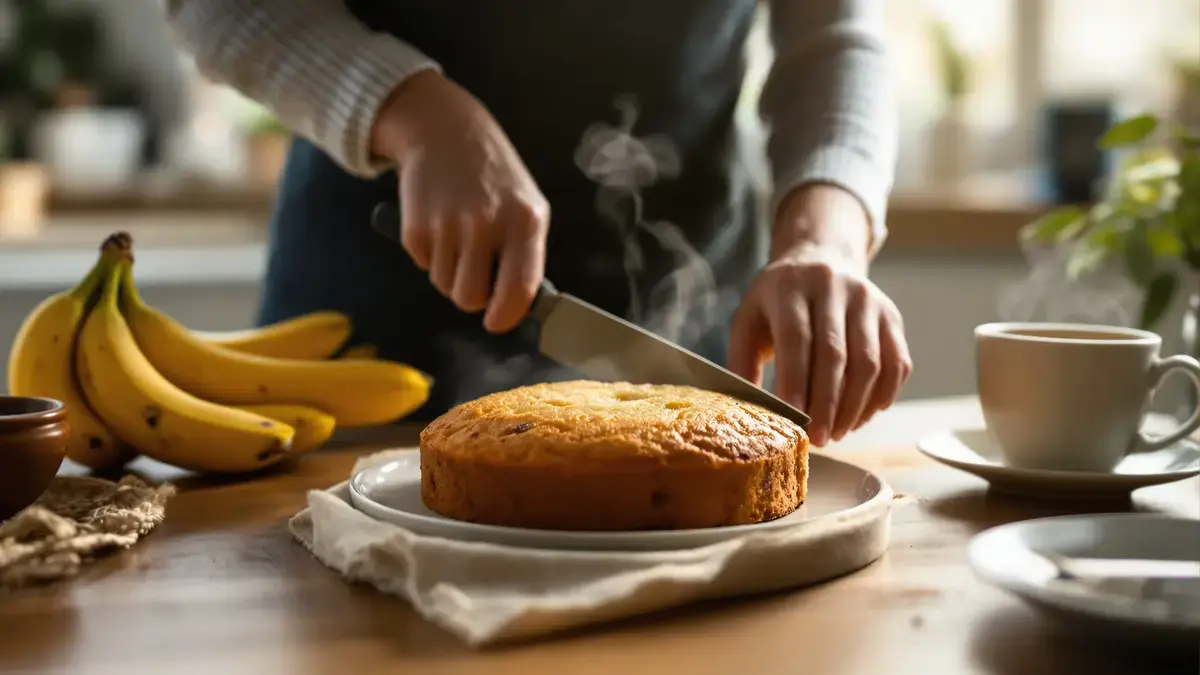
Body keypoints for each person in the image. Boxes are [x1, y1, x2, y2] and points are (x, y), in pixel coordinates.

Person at [163, 0, 911, 446]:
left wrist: (825, 239)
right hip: (367, 317)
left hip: (695, 324)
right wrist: (413, 113)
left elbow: (837, 38)